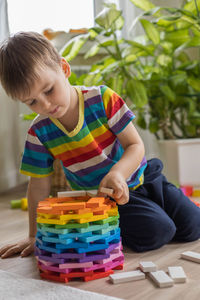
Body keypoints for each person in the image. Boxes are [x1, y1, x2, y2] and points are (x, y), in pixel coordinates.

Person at [0, 32, 200, 259]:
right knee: (159, 232)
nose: (45, 104)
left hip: (146, 178)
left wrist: (117, 173)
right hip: (106, 200)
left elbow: (135, 145)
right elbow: (38, 186)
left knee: (193, 226)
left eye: (48, 90)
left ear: (64, 69)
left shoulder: (103, 99)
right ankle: (97, 231)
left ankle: (149, 214)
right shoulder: (39, 133)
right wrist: (34, 235)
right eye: (32, 102)